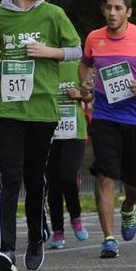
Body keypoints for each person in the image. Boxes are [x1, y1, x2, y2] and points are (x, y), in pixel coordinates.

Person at [0, 0, 82, 271]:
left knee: (35, 180)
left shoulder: (53, 14)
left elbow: (77, 49)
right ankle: (5, 248)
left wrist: (51, 52)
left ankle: (36, 238)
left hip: (42, 109)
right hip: (6, 108)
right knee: (10, 177)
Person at [80, 0, 136, 259]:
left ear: (128, 12)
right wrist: (86, 82)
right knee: (105, 176)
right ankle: (109, 239)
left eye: (118, 8)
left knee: (134, 184)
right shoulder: (93, 37)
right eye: (109, 8)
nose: (112, 13)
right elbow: (85, 64)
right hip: (105, 118)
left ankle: (128, 207)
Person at [45, 59, 89, 249]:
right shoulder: (43, 65)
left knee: (67, 176)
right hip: (49, 131)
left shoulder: (78, 65)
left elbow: (90, 96)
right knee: (53, 183)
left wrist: (80, 94)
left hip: (74, 132)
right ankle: (58, 231)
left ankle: (75, 217)